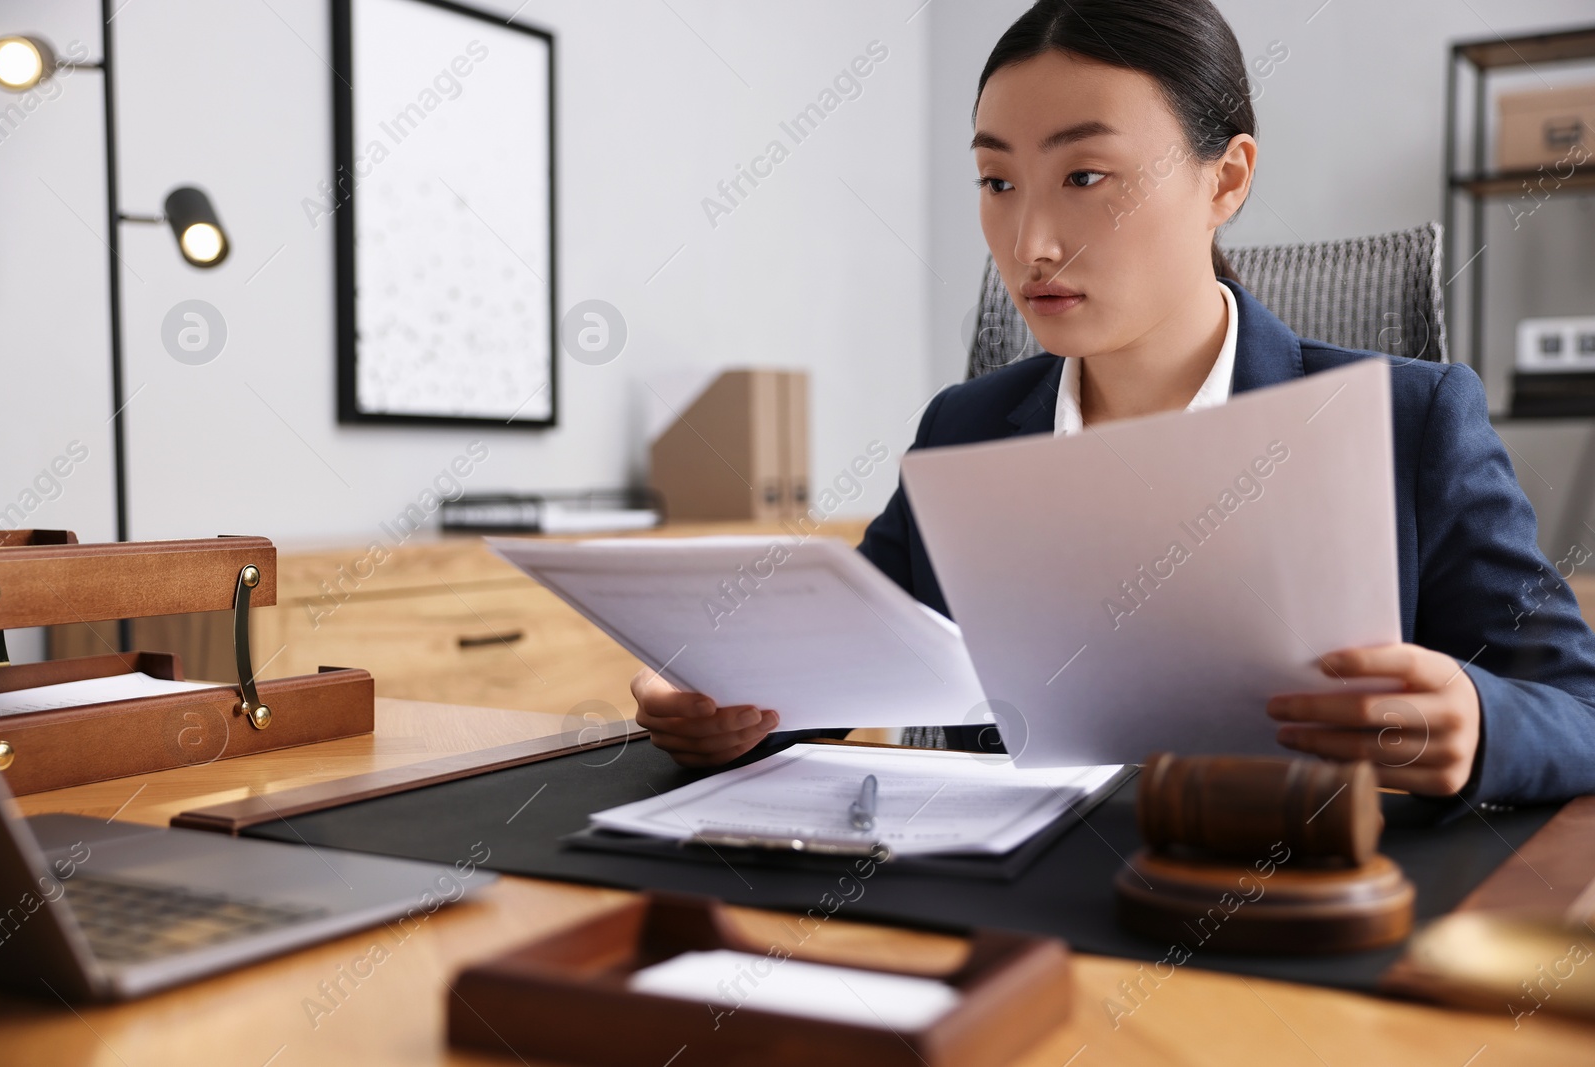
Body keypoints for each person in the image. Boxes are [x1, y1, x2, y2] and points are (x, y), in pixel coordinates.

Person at [634, 0, 1595, 805]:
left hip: (1288, 937)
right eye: (998, 181)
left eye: (1085, 177)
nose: (1031, 241)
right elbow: (833, 673)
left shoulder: (1410, 419)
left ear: (1227, 178)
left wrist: (1478, 721)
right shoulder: (965, 431)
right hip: (1014, 931)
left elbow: (1579, 712)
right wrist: (724, 711)